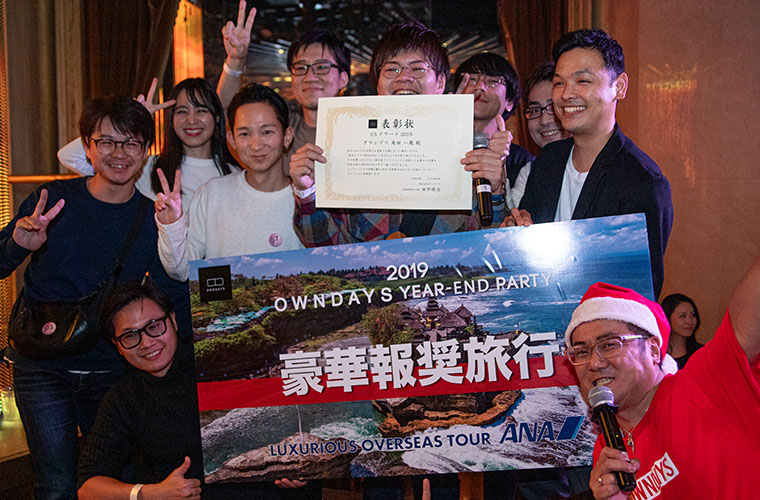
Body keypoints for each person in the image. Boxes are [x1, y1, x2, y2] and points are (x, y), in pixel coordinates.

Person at [1, 96, 190, 500]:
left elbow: (166, 295)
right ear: (87, 145)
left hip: (112, 367)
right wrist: (18, 245)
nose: (118, 154)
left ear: (145, 151)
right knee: (54, 484)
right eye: (106, 142)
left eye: (131, 143)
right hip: (42, 365)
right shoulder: (52, 200)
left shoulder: (151, 217)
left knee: (116, 479)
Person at [78, 280, 318, 500]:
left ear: (173, 320)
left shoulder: (218, 359)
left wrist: (301, 466)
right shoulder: (124, 398)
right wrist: (148, 494)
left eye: (154, 326)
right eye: (130, 336)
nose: (147, 342)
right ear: (117, 346)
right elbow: (87, 486)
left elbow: (299, 414)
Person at [291, 20, 507, 246]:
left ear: (440, 82)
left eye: (417, 68)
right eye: (392, 69)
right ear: (378, 85)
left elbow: (493, 245)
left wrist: (494, 190)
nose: (404, 77)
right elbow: (326, 247)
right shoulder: (348, 148)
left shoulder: (471, 156)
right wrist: (306, 191)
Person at [563, 255, 760, 499]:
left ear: (654, 350)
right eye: (582, 352)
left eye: (610, 344)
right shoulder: (607, 448)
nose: (594, 363)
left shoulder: (704, 381)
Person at [512, 29, 673, 300]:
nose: (566, 94)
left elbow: (641, 295)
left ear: (619, 87)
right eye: (559, 83)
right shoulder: (548, 161)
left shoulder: (642, 182)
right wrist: (515, 233)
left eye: (583, 81)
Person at [156, 83, 303, 281]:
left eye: (267, 132)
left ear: (287, 136)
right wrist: (171, 226)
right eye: (244, 134)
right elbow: (181, 270)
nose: (256, 145)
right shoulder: (212, 193)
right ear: (232, 140)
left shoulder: (306, 199)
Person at [58, 78, 240, 209]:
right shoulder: (146, 167)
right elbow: (68, 156)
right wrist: (133, 123)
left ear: (217, 117)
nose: (191, 120)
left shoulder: (234, 174)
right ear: (171, 119)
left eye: (201, 111)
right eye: (182, 111)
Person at [215, 0, 351, 175]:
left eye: (322, 67)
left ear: (343, 79)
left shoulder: (363, 131)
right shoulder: (281, 131)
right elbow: (229, 114)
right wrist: (235, 60)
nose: (310, 77)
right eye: (301, 68)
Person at [453, 52, 534, 203]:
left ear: (509, 102)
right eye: (472, 79)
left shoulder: (521, 161)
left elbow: (517, 212)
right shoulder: (441, 148)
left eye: (492, 81)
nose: (480, 87)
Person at [509, 61, 572, 207]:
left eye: (552, 107)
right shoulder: (531, 171)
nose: (544, 120)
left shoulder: (596, 166)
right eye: (535, 110)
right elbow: (514, 215)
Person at [660, 293, 703, 369]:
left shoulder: (701, 353)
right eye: (683, 316)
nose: (690, 321)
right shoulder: (656, 355)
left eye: (693, 315)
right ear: (667, 318)